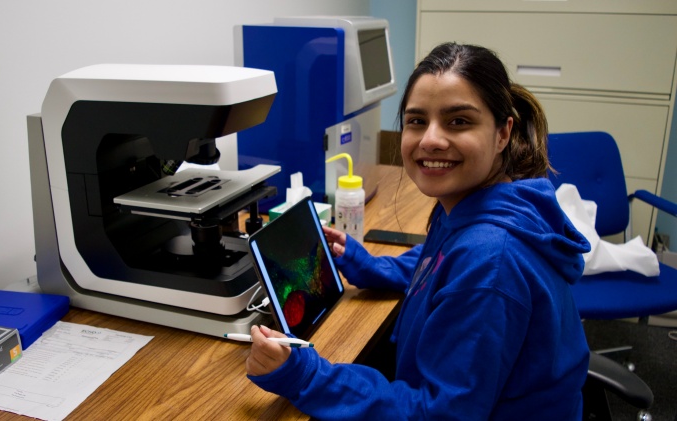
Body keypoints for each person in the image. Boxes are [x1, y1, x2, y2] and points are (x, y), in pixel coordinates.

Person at [245, 42, 591, 420]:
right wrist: (368, 265)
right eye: (417, 120)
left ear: (503, 132)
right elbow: (441, 262)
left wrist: (303, 373)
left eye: (459, 121)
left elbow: (437, 414)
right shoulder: (486, 202)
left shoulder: (491, 261)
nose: (430, 139)